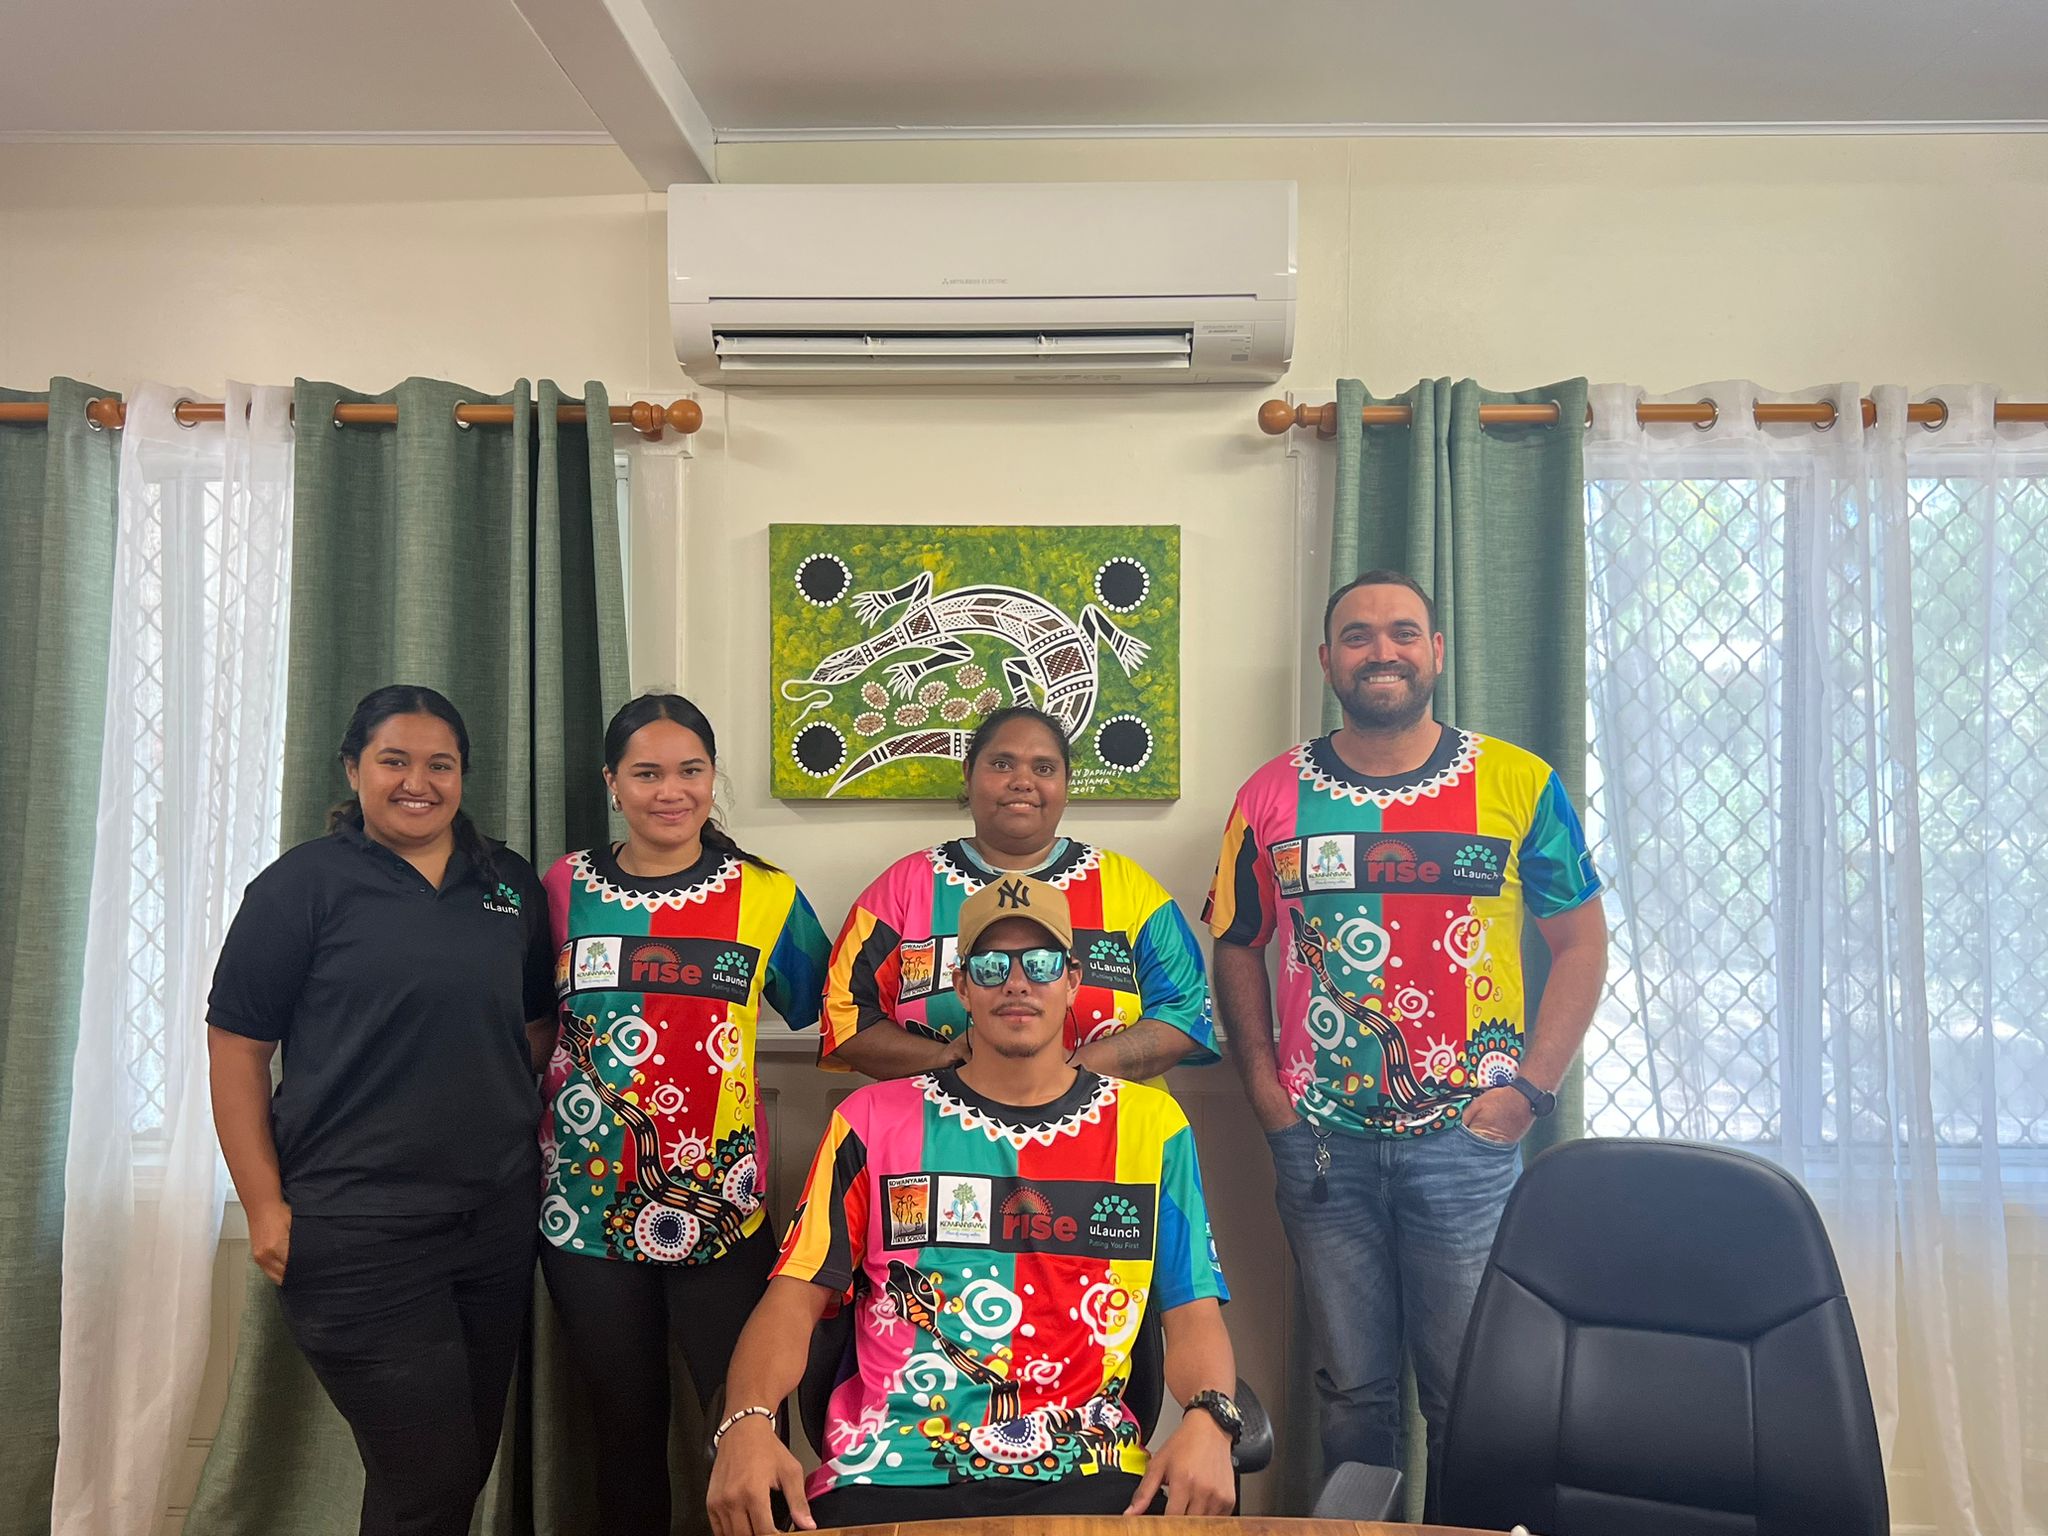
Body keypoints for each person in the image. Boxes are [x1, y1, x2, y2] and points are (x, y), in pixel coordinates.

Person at [1205, 570, 1608, 1509]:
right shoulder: (1269, 795)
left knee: (1473, 1392)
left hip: (1469, 1146)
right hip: (1318, 1148)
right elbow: (1235, 941)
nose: (1380, 651)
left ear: (1435, 652)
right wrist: (1265, 1090)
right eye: (1357, 635)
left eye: (1401, 632)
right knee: (1353, 1394)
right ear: (1327, 660)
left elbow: (1582, 943)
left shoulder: (1519, 784)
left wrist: (1528, 1094)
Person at [707, 875, 1240, 1536]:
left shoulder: (1152, 1128)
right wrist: (746, 1421)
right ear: (962, 987)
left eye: (1039, 964)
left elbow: (1192, 1314)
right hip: (888, 1472)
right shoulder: (869, 1121)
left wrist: (1210, 1419)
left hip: (1089, 1471)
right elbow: (792, 1300)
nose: (1016, 983)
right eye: (991, 966)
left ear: (1072, 981)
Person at [207, 685, 556, 1536]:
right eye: (394, 761)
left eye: (440, 765)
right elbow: (237, 1052)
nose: (418, 783)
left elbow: (534, 1026)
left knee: (455, 1470)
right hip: (356, 1232)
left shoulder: (507, 881)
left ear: (463, 775)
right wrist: (263, 1206)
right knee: (427, 1475)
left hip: (493, 1224)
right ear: (353, 769)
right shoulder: (299, 887)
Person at [533, 693, 830, 1536]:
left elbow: (830, 1008)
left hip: (723, 1216)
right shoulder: (561, 887)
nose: (671, 791)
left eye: (690, 771)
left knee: (748, 1432)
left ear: (712, 777)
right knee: (623, 1437)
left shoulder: (766, 894)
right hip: (584, 1215)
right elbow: (524, 1021)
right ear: (612, 783)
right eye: (647, 773)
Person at [822, 704, 1216, 1085]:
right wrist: (948, 1061)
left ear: (1067, 782)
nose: (1022, 781)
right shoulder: (901, 889)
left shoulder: (1130, 888)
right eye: (1001, 764)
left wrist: (1069, 1072)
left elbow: (1184, 1013)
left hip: (1112, 1120)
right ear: (968, 773)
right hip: (932, 1120)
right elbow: (844, 1017)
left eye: (1044, 768)